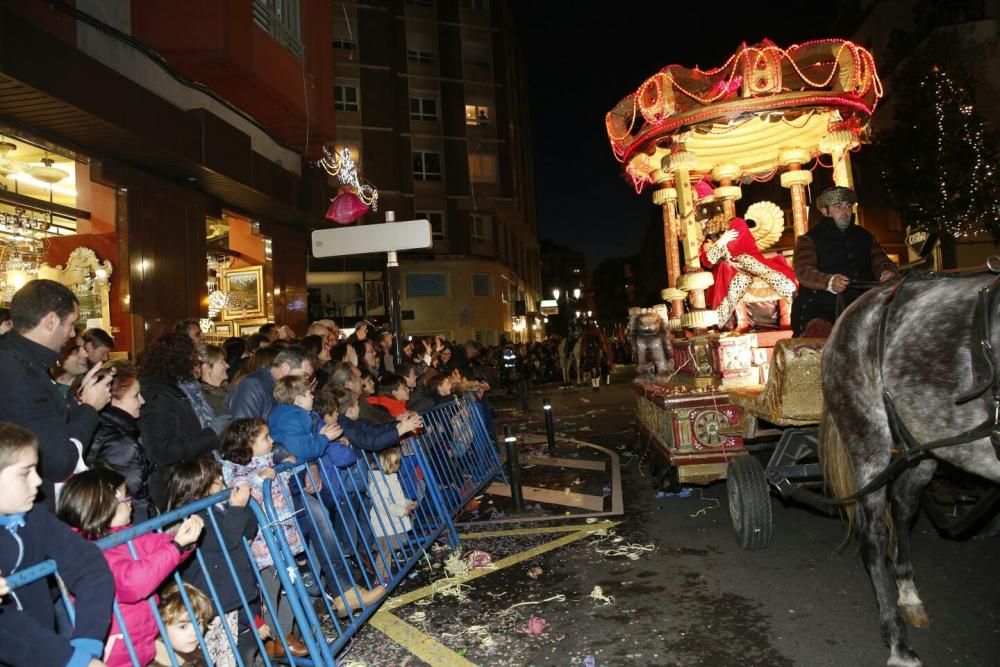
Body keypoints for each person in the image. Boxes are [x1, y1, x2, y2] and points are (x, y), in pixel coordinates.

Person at [57, 466, 203, 667]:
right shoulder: (91, 552)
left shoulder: (125, 534)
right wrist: (176, 547)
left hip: (137, 644)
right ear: (108, 507)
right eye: (126, 499)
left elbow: (157, 545)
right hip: (113, 652)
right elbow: (132, 584)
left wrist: (183, 541)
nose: (131, 504)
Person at [0, 422, 114, 667]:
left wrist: (86, 643)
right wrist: (71, 659)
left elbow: (88, 565)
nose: (38, 481)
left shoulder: (34, 517)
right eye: (25, 472)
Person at [0, 280, 113, 508]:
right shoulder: (20, 375)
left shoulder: (20, 362)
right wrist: (89, 409)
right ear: (50, 321)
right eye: (71, 323)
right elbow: (58, 462)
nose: (72, 333)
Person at [217, 419, 308, 659]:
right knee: (271, 592)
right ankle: (277, 638)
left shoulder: (266, 463)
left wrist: (284, 468)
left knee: (292, 587)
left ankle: (283, 636)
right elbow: (242, 489)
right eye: (265, 437)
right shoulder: (238, 473)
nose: (272, 441)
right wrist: (260, 479)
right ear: (247, 444)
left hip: (283, 538)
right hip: (264, 546)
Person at [167, 457, 263, 666]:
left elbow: (248, 531)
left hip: (236, 592)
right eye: (215, 478)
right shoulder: (191, 516)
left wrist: (240, 507)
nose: (222, 479)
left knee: (244, 648)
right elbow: (225, 539)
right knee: (223, 655)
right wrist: (236, 508)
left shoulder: (219, 505)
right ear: (198, 485)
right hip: (215, 600)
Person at [791, 186, 899, 335]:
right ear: (824, 211)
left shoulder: (865, 236)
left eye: (848, 206)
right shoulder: (808, 239)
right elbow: (803, 271)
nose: (845, 212)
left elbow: (880, 260)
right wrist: (829, 281)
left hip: (865, 300)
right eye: (838, 207)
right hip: (823, 305)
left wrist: (886, 272)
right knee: (819, 330)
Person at [695, 180, 797, 331]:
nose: (704, 222)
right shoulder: (708, 239)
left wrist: (719, 246)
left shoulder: (736, 223)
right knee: (728, 270)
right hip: (732, 269)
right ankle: (742, 323)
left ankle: (787, 320)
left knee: (781, 277)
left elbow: (737, 248)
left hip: (751, 262)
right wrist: (721, 241)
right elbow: (708, 261)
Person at [138, 333, 219, 512]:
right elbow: (163, 450)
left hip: (190, 481)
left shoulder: (176, 389)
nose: (197, 359)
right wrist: (212, 434)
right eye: (192, 355)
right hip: (179, 487)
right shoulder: (159, 395)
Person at [86, 365, 153, 522]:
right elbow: (133, 494)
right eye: (135, 396)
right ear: (113, 400)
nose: (142, 401)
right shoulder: (122, 445)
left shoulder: (97, 428)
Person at [226, 346, 314, 421]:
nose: (305, 381)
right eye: (304, 375)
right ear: (284, 368)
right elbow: (244, 430)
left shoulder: (286, 388)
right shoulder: (253, 385)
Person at [367, 447, 416, 581]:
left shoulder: (389, 477)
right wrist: (402, 511)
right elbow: (383, 504)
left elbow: (396, 498)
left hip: (390, 523)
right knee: (384, 553)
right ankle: (380, 580)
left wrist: (407, 503)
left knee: (387, 552)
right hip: (384, 525)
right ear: (387, 463)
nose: (399, 465)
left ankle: (385, 578)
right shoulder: (379, 481)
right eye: (397, 462)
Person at [152, 583, 214, 667]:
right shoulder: (154, 661)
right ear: (162, 627)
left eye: (199, 623)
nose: (195, 632)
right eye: (183, 626)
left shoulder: (199, 655)